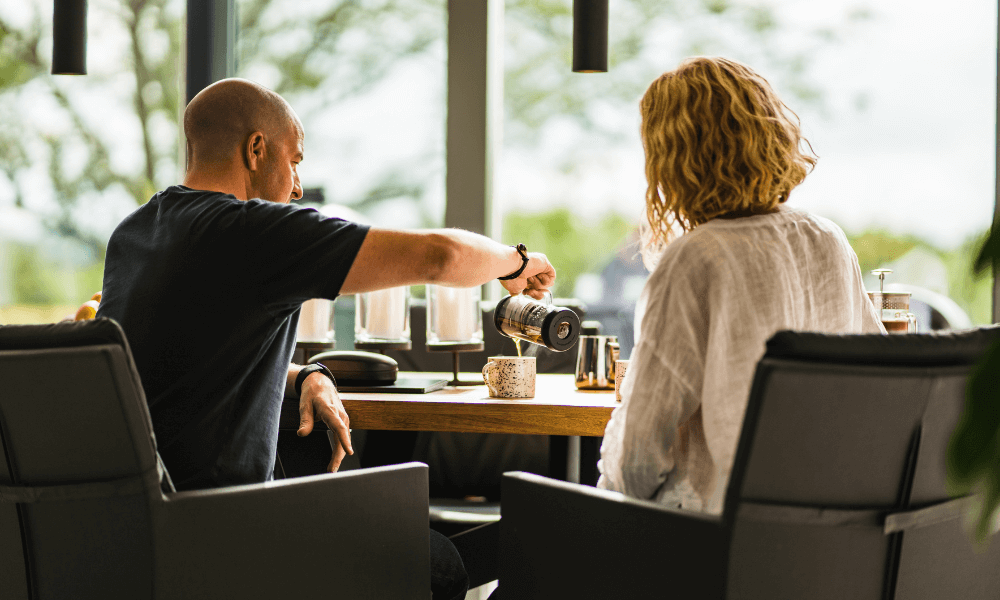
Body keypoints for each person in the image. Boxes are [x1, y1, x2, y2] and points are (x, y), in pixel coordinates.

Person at [97, 77, 555, 600]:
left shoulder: (135, 233)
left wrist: (302, 375)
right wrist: (517, 261)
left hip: (142, 536)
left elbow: (176, 362)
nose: (295, 187)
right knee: (445, 564)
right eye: (294, 161)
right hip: (227, 534)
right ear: (255, 150)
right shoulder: (254, 231)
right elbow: (440, 256)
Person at [596, 57, 884, 514]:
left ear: (674, 160)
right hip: (812, 541)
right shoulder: (827, 240)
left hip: (702, 544)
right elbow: (876, 390)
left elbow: (635, 466)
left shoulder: (695, 260)